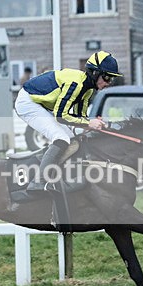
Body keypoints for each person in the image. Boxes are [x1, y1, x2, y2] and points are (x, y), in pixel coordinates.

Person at [14, 50, 120, 193]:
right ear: (95, 73)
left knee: (72, 140)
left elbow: (79, 118)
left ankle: (56, 174)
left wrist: (92, 124)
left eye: (112, 79)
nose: (109, 83)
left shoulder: (88, 90)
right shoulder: (76, 84)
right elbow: (60, 116)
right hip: (28, 102)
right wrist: (88, 123)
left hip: (42, 104)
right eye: (107, 77)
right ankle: (38, 182)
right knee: (61, 138)